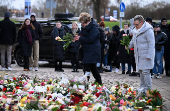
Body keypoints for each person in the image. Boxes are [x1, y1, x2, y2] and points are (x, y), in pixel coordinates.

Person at [129, 15, 155, 93]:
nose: (135, 26)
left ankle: (149, 90)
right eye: (134, 25)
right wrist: (129, 45)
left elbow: (151, 43)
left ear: (142, 22)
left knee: (146, 72)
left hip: (146, 55)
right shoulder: (135, 30)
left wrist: (149, 55)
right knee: (140, 71)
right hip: (138, 55)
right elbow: (133, 40)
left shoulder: (148, 30)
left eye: (137, 24)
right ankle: (142, 88)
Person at [74, 12, 102, 85]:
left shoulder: (94, 27)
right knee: (92, 67)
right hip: (87, 49)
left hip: (93, 50)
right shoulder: (85, 27)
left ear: (87, 22)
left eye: (83, 23)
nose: (82, 25)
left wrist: (80, 38)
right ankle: (97, 82)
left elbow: (91, 39)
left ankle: (87, 82)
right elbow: (82, 35)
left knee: (87, 66)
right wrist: (77, 38)